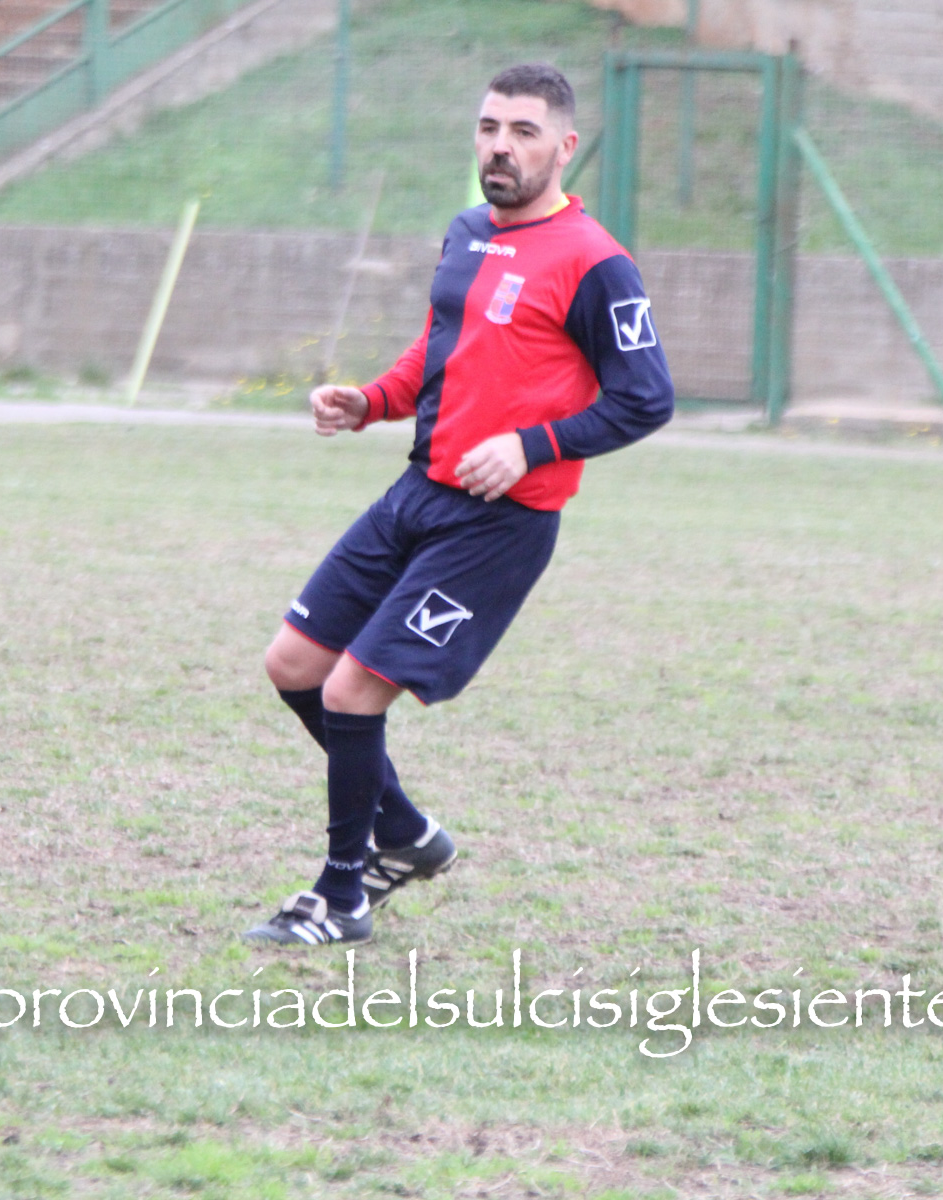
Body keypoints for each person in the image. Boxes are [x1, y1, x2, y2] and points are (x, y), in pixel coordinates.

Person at [244, 63, 676, 945]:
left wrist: (531, 446)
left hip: (500, 525)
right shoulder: (468, 232)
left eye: (523, 132)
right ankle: (407, 833)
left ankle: (343, 896)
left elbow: (647, 398)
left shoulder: (596, 262)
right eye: (488, 128)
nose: (500, 147)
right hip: (418, 492)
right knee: (293, 665)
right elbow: (445, 346)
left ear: (564, 146)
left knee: (353, 690)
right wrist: (371, 400)